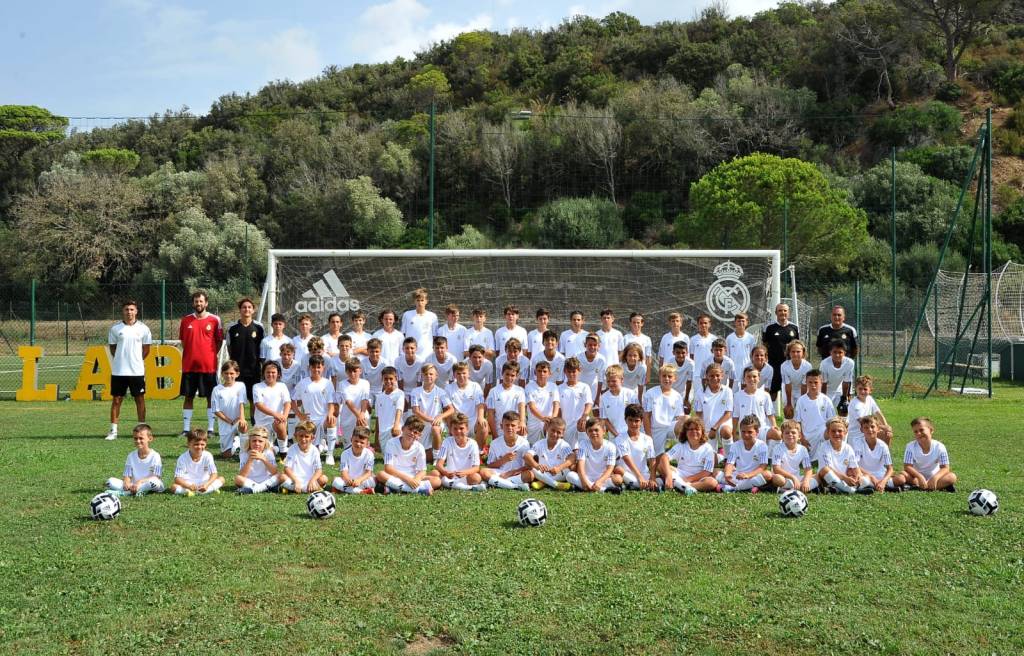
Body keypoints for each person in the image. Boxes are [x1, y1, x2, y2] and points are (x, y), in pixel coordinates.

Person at [178, 290, 223, 437]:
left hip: (208, 366)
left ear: (206, 303)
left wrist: (209, 355)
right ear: (193, 303)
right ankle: (186, 429)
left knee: (210, 397)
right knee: (188, 396)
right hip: (189, 366)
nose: (199, 304)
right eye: (196, 301)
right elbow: (184, 342)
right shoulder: (185, 320)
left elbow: (218, 342)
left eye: (201, 301)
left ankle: (210, 429)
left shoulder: (215, 320)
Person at [106, 300, 152, 440]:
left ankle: (142, 430)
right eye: (126, 309)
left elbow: (146, 349)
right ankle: (113, 431)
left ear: (136, 311)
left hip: (137, 371)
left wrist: (135, 360)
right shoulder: (115, 329)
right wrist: (122, 359)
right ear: (123, 311)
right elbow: (113, 349)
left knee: (139, 399)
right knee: (117, 400)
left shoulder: (144, 328)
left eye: (132, 309)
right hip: (119, 371)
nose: (129, 312)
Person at [293, 354, 338, 463]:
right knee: (310, 451)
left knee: (332, 421)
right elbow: (292, 400)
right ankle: (320, 443)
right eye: (313, 367)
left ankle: (330, 454)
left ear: (323, 368)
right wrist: (299, 414)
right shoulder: (303, 383)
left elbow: (331, 402)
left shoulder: (328, 383)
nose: (316, 369)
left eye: (319, 367)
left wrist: (330, 414)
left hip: (323, 418)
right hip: (308, 420)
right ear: (309, 368)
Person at [895, 417, 957, 492]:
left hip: (934, 477)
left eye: (921, 430)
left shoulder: (940, 447)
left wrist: (935, 478)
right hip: (916, 478)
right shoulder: (910, 446)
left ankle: (918, 487)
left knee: (952, 477)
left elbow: (945, 468)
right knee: (903, 474)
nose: (919, 433)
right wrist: (920, 477)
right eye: (915, 432)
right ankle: (935, 487)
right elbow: (907, 466)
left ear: (931, 430)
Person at [658, 417, 719, 494]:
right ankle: (682, 486)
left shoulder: (708, 448)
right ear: (685, 432)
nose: (694, 431)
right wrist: (669, 476)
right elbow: (665, 457)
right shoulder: (681, 445)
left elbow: (707, 472)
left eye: (697, 429)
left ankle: (680, 485)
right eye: (691, 429)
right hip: (680, 474)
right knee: (660, 465)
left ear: (702, 432)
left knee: (712, 482)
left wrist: (687, 480)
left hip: (698, 478)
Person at [427, 413, 487, 491]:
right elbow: (439, 464)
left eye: (461, 428)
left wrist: (465, 473)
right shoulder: (446, 442)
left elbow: (476, 467)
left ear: (467, 429)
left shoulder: (473, 444)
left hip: (466, 476)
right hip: (449, 475)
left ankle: (450, 485)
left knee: (476, 478)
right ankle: (468, 488)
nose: (458, 431)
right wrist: (445, 472)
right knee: (435, 473)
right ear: (451, 429)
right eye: (455, 428)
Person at [375, 417, 433, 495]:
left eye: (415, 432)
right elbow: (388, 468)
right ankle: (418, 490)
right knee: (380, 474)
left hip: (412, 477)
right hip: (395, 476)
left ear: (419, 435)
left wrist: (416, 479)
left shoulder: (420, 448)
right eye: (410, 429)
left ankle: (393, 488)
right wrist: (407, 480)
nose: (412, 433)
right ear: (402, 429)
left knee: (437, 480)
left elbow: (422, 471)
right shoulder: (391, 443)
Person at [226, 297, 264, 413]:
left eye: (249, 307)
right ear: (240, 310)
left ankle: (253, 420)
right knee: (236, 398)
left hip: (254, 369)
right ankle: (237, 421)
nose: (246, 309)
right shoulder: (232, 328)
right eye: (244, 307)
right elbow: (229, 346)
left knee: (254, 398)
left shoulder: (259, 327)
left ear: (253, 310)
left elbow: (262, 347)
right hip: (237, 370)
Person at [104, 423, 164, 496]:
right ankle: (138, 491)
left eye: (141, 438)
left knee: (155, 482)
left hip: (147, 483)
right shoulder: (131, 456)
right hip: (133, 485)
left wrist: (140, 482)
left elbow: (156, 476)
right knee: (110, 481)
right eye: (135, 438)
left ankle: (127, 493)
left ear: (150, 438)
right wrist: (126, 482)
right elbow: (127, 475)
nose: (138, 441)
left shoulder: (155, 456)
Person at [479, 411, 533, 491]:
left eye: (513, 425)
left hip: (517, 473)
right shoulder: (495, 443)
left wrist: (511, 473)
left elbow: (528, 466)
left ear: (518, 427)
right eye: (507, 425)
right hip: (500, 472)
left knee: (530, 475)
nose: (510, 428)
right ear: (501, 426)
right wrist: (504, 460)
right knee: (483, 471)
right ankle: (515, 486)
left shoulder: (524, 443)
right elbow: (490, 465)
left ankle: (496, 482)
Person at [565, 418, 622, 493]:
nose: (593, 433)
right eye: (590, 431)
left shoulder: (611, 446)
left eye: (596, 430)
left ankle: (585, 488)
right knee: (569, 475)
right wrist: (585, 481)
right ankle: (604, 490)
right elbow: (580, 466)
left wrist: (599, 482)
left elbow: (609, 469)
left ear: (604, 431)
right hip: (587, 477)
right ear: (586, 433)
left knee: (618, 479)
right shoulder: (583, 444)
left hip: (603, 479)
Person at [716, 415, 771, 492]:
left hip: (752, 476)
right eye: (743, 432)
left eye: (750, 432)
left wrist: (747, 475)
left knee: (768, 474)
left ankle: (734, 488)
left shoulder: (762, 445)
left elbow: (763, 467)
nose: (746, 435)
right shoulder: (735, 445)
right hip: (737, 476)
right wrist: (727, 475)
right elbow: (729, 464)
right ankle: (746, 488)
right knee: (715, 472)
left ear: (757, 432)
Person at [642, 363, 686, 456]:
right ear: (659, 377)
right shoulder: (650, 393)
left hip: (669, 427)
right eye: (664, 376)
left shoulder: (677, 396)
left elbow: (679, 417)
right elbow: (646, 416)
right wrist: (649, 436)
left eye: (670, 376)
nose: (666, 379)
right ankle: (664, 455)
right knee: (654, 458)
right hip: (655, 429)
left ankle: (683, 453)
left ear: (675, 378)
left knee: (687, 420)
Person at [411, 363, 453, 459]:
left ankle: (437, 457)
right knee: (421, 456)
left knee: (435, 429)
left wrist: (440, 417)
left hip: (436, 424)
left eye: (431, 374)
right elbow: (416, 411)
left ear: (436, 376)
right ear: (422, 376)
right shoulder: (415, 391)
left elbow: (451, 409)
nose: (428, 376)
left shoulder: (441, 392)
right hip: (421, 425)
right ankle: (433, 454)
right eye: (426, 374)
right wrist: (431, 420)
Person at [613, 404, 658, 491]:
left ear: (641, 421)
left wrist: (652, 478)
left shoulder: (648, 439)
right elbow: (627, 459)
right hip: (627, 473)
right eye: (630, 420)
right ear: (625, 420)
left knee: (660, 479)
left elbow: (652, 459)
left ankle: (635, 484)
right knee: (618, 470)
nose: (633, 424)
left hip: (643, 473)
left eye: (637, 421)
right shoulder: (620, 438)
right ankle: (641, 484)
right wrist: (639, 477)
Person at [815, 417, 866, 494]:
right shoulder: (824, 447)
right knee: (825, 469)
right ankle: (853, 491)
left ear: (845, 432)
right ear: (828, 432)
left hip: (843, 480)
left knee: (861, 476)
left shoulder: (848, 448)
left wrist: (858, 476)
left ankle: (836, 490)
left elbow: (855, 467)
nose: (836, 433)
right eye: (833, 431)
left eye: (840, 431)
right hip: (826, 479)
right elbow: (829, 469)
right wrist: (845, 478)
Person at [793, 369, 836, 460]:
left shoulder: (826, 400)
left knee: (833, 430)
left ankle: (831, 453)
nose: (813, 385)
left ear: (821, 382)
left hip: (822, 434)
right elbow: (797, 423)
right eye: (810, 382)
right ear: (806, 382)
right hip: (807, 436)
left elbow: (832, 421)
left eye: (816, 382)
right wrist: (802, 439)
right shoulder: (801, 401)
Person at [695, 364, 733, 463]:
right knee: (708, 461)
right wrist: (703, 430)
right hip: (707, 429)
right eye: (711, 376)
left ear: (722, 376)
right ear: (706, 376)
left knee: (726, 431)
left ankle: (729, 459)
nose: (715, 378)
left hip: (721, 426)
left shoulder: (728, 391)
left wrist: (714, 428)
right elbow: (698, 414)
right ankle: (721, 456)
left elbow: (728, 414)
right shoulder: (700, 392)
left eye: (717, 375)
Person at [761, 303, 800, 402]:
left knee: (789, 391)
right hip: (774, 365)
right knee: (772, 391)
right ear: (776, 312)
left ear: (788, 312)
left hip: (789, 364)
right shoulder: (769, 328)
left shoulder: (794, 327)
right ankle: (770, 410)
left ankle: (790, 410)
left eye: (785, 310)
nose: (783, 313)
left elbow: (798, 345)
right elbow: (764, 345)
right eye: (780, 310)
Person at [334, 358, 371, 458]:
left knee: (362, 441)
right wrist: (358, 415)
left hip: (363, 417)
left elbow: (364, 399)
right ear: (346, 372)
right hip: (347, 419)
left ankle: (364, 460)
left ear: (360, 370)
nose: (352, 374)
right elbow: (348, 402)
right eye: (349, 371)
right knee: (348, 445)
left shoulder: (365, 383)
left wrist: (362, 414)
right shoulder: (342, 384)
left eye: (355, 371)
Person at [211, 360, 249, 458]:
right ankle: (236, 443)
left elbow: (241, 403)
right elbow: (216, 410)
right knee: (226, 455)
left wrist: (241, 418)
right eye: (226, 373)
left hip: (237, 420)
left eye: (231, 373)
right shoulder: (217, 389)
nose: (229, 376)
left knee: (243, 426)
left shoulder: (241, 386)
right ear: (222, 374)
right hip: (225, 422)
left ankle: (243, 450)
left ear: (237, 374)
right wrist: (229, 421)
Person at [252, 361, 291, 457]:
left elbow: (287, 403)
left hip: (277, 421)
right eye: (268, 372)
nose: (270, 374)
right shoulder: (257, 387)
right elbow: (259, 405)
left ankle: (283, 452)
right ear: (263, 373)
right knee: (264, 454)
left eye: (273, 372)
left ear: (278, 374)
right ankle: (275, 448)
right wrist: (275, 414)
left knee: (281, 424)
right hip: (262, 423)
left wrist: (284, 417)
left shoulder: (282, 386)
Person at [524, 417, 575, 491]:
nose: (555, 434)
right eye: (553, 430)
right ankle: (556, 484)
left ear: (563, 434)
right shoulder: (540, 443)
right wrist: (537, 465)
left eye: (558, 432)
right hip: (543, 472)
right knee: (532, 468)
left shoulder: (564, 445)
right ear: (547, 429)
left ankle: (543, 482)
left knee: (567, 471)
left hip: (558, 473)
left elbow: (572, 457)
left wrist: (559, 468)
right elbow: (527, 456)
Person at [732, 367, 779, 444]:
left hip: (761, 429)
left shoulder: (765, 395)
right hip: (745, 430)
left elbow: (770, 414)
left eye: (754, 376)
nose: (752, 379)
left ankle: (770, 451)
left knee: (777, 435)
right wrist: (733, 432)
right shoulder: (737, 396)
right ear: (744, 379)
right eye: (748, 377)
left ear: (759, 378)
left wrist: (774, 426)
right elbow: (735, 416)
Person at [278, 421, 328, 493]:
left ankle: (294, 489)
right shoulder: (292, 449)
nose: (303, 439)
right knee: (281, 477)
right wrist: (296, 481)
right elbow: (287, 468)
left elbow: (319, 470)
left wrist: (312, 480)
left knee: (324, 478)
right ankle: (309, 489)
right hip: (295, 480)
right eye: (301, 436)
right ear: (295, 436)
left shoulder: (315, 450)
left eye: (306, 436)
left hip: (309, 481)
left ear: (312, 438)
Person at [768, 419, 817, 493]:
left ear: (799, 436)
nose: (790, 434)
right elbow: (776, 469)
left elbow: (808, 469)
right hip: (784, 477)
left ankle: (791, 488)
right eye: (787, 433)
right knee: (777, 479)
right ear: (782, 436)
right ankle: (801, 488)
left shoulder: (803, 449)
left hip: (797, 478)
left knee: (817, 476)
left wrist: (806, 481)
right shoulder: (777, 448)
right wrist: (793, 478)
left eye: (793, 432)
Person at [172, 428, 224, 495]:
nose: (199, 447)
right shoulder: (182, 458)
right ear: (188, 444)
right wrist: (188, 486)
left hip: (204, 483)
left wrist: (207, 484)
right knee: (174, 487)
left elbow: (214, 474)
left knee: (222, 479)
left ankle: (193, 492)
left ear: (206, 444)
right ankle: (209, 490)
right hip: (189, 484)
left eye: (202, 444)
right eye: (196, 444)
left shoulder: (208, 456)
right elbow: (177, 478)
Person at [558, 357, 593, 449]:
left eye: (574, 371)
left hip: (582, 424)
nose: (571, 374)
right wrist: (560, 424)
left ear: (579, 371)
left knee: (584, 449)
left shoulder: (585, 387)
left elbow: (589, 403)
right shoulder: (559, 388)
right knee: (569, 450)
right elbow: (558, 408)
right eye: (569, 372)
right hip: (567, 425)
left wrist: (584, 416)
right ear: (565, 371)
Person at [847, 375, 891, 448]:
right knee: (883, 432)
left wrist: (886, 426)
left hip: (867, 431)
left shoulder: (869, 399)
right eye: (860, 389)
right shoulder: (854, 404)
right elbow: (863, 422)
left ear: (870, 390)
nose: (862, 391)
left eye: (865, 389)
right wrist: (882, 427)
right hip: (857, 436)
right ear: (856, 389)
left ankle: (884, 453)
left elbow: (878, 413)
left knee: (888, 434)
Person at [854, 415, 896, 493]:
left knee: (901, 479)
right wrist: (871, 476)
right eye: (866, 427)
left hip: (880, 475)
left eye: (872, 427)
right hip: (865, 475)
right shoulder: (858, 443)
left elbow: (890, 468)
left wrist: (883, 481)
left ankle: (878, 485)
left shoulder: (883, 445)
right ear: (861, 430)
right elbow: (855, 465)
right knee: (863, 480)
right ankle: (884, 487)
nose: (870, 430)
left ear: (878, 429)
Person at [486, 362, 527, 439]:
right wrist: (494, 435)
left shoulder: (520, 390)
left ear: (517, 376)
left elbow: (521, 408)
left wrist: (522, 422)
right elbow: (490, 415)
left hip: (515, 428)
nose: (509, 377)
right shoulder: (493, 391)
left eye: (512, 375)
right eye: (507, 374)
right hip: (500, 430)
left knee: (523, 434)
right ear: (502, 373)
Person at [235, 426, 280, 494]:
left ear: (265, 443)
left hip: (266, 480)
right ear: (249, 442)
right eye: (254, 441)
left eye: (260, 441)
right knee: (238, 479)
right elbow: (242, 475)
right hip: (250, 481)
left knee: (280, 476)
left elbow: (274, 472)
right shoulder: (244, 454)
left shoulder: (268, 453)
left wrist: (263, 459)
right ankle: (266, 488)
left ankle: (254, 489)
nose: (257, 443)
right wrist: (250, 459)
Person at [331, 426, 376, 494]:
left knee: (374, 480)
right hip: (349, 481)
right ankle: (361, 492)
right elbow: (344, 472)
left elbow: (368, 473)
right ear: (351, 439)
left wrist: (359, 480)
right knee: (335, 481)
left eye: (362, 442)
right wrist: (347, 479)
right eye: (356, 441)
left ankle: (344, 489)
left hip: (362, 480)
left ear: (367, 444)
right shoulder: (345, 454)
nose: (358, 444)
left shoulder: (369, 454)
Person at [524, 361, 560, 445]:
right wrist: (543, 418)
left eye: (544, 371)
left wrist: (553, 418)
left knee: (549, 445)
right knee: (532, 446)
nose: (542, 374)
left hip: (549, 422)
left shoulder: (553, 386)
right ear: (535, 372)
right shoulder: (529, 386)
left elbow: (556, 404)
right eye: (539, 371)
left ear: (549, 373)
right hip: (533, 423)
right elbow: (532, 407)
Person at [598, 364, 638, 440]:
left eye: (614, 381)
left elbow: (637, 415)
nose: (610, 383)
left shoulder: (631, 394)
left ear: (622, 379)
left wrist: (631, 433)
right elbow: (604, 419)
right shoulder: (603, 398)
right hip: (614, 437)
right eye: (608, 381)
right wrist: (617, 435)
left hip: (631, 436)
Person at [374, 366, 405, 451]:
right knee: (387, 456)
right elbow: (377, 418)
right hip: (382, 433)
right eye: (386, 379)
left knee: (397, 455)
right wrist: (376, 438)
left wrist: (396, 426)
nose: (388, 381)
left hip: (395, 430)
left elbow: (399, 410)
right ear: (382, 379)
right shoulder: (379, 397)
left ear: (396, 378)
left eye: (391, 379)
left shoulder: (400, 394)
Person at [401, 288, 438, 360]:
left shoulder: (432, 316)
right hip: (411, 352)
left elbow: (434, 336)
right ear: (414, 301)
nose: (420, 303)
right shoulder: (407, 315)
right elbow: (403, 334)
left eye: (422, 300)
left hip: (427, 353)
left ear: (426, 301)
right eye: (418, 300)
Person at [820, 340, 855, 414]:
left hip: (840, 389)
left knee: (844, 410)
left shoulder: (850, 363)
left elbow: (846, 382)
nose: (837, 355)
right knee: (825, 412)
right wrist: (823, 398)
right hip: (827, 390)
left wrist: (844, 398)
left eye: (840, 352)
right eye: (834, 352)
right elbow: (823, 383)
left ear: (844, 353)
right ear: (830, 352)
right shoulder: (824, 364)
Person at [780, 340, 812, 418]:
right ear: (789, 353)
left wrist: (802, 402)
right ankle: (788, 424)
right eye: (793, 351)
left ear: (803, 353)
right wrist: (789, 404)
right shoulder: (784, 366)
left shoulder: (808, 366)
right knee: (789, 413)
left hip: (802, 389)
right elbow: (788, 385)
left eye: (798, 351)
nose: (795, 354)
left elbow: (804, 386)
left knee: (802, 411)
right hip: (788, 389)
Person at [725, 313, 756, 391]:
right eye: (738, 321)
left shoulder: (751, 338)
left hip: (746, 371)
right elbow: (727, 356)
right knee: (732, 394)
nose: (741, 323)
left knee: (745, 393)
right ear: (735, 323)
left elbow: (753, 355)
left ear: (746, 323)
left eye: (743, 321)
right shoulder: (729, 338)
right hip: (733, 372)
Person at [578, 333, 607, 400]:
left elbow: (600, 379)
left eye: (595, 345)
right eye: (590, 345)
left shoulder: (601, 359)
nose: (592, 347)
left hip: (594, 392)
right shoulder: (578, 358)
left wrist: (598, 397)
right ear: (585, 345)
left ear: (599, 346)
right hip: (580, 391)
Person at [668, 341, 694, 414]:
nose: (681, 355)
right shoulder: (669, 362)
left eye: (683, 353)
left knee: (685, 413)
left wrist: (686, 399)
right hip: (672, 391)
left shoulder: (691, 364)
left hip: (685, 393)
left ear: (687, 352)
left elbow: (689, 382)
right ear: (673, 352)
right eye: (678, 352)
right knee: (671, 412)